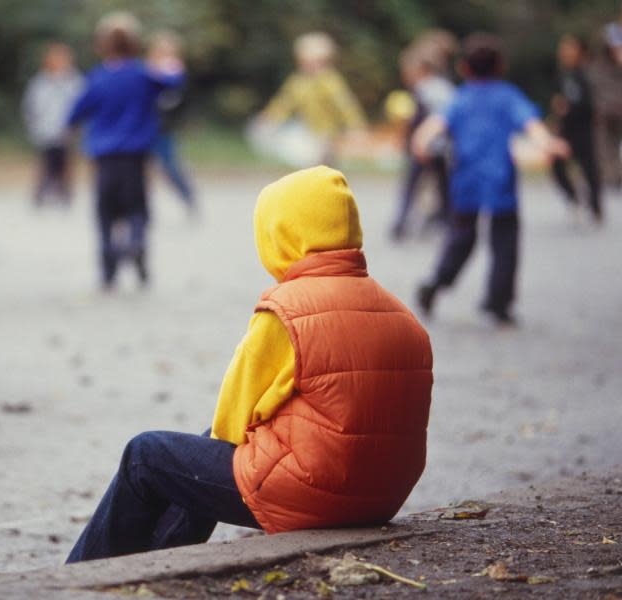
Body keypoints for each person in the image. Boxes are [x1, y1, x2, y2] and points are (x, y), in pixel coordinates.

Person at [66, 166, 433, 563]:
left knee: (146, 455)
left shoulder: (288, 311)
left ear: (281, 236)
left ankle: (79, 578)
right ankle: (153, 564)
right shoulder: (401, 313)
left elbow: (231, 422)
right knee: (199, 457)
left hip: (317, 494)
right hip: (382, 495)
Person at [414, 34, 570, 326]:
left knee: (461, 238)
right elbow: (532, 126)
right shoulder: (507, 95)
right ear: (501, 67)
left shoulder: (461, 98)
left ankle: (436, 283)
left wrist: (420, 145)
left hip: (466, 181)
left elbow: (431, 129)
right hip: (500, 182)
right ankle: (498, 302)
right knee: (505, 242)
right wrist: (551, 144)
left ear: (464, 68)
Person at [67, 12, 183, 290]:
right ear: (135, 44)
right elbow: (174, 81)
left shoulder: (97, 78)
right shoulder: (144, 74)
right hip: (135, 156)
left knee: (105, 214)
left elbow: (74, 114)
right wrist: (171, 60)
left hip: (104, 158)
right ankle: (137, 242)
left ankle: (109, 270)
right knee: (137, 209)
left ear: (102, 45)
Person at [257, 31, 367, 166]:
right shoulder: (298, 81)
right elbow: (284, 102)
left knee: (324, 162)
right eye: (306, 62)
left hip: (328, 132)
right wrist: (271, 117)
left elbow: (345, 105)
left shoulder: (330, 81)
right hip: (308, 129)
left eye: (317, 63)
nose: (311, 67)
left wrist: (356, 126)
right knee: (307, 161)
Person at [390, 44, 455, 241]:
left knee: (412, 185)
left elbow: (419, 119)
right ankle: (446, 220)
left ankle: (401, 223)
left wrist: (411, 140)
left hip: (424, 146)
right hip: (441, 147)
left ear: (421, 71)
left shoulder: (424, 90)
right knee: (443, 186)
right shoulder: (445, 88)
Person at [21, 42, 83, 207]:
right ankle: (40, 194)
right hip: (45, 130)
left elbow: (80, 105)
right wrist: (34, 126)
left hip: (66, 131)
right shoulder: (39, 82)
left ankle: (65, 194)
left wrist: (76, 127)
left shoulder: (75, 81)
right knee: (44, 163)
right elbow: (31, 107)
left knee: (66, 163)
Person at [550, 34, 601, 223]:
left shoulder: (587, 74)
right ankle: (574, 197)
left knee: (589, 168)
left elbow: (591, 103)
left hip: (583, 126)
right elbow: (558, 99)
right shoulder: (563, 74)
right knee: (556, 165)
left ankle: (595, 207)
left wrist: (571, 107)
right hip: (566, 127)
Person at [147, 30, 196, 216]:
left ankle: (187, 196)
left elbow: (174, 87)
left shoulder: (173, 69)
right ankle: (141, 206)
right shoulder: (150, 68)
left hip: (163, 127)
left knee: (169, 166)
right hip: (147, 125)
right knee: (143, 168)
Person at [589, 14, 622, 191]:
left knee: (614, 144)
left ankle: (615, 175)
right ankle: (612, 176)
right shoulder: (611, 31)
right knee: (605, 146)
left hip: (617, 106)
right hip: (605, 108)